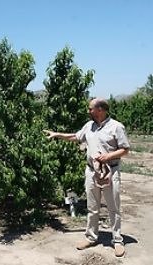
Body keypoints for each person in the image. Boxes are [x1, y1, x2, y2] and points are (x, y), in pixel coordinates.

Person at [44, 98, 130, 258]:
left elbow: (125, 149)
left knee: (113, 207)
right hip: (91, 171)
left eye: (90, 109)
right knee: (92, 207)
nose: (88, 111)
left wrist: (108, 156)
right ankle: (91, 237)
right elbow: (76, 137)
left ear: (100, 110)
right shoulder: (89, 126)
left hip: (110, 171)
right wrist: (57, 135)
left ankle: (117, 240)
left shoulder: (116, 127)